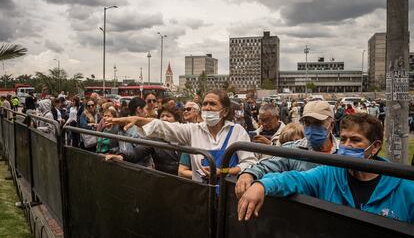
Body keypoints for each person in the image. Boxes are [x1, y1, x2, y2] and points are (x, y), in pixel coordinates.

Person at [237, 113, 414, 223]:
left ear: (375, 147)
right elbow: (296, 178)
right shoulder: (330, 172)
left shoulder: (405, 187)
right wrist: (261, 185)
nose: (346, 145)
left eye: (355, 140)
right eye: (343, 139)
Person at [106, 89, 257, 182]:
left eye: (212, 104)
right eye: (205, 104)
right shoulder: (193, 130)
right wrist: (139, 120)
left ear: (224, 111)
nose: (207, 108)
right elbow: (164, 128)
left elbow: (248, 163)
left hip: (229, 194)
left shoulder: (237, 131)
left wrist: (223, 172)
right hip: (201, 194)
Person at [235, 100, 338, 199]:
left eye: (317, 123)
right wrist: (248, 174)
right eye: (307, 123)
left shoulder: (343, 154)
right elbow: (268, 165)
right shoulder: (293, 150)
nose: (311, 128)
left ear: (331, 125)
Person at [178, 101, 203, 179]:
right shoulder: (181, 128)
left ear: (197, 112)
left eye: (188, 109)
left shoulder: (204, 130)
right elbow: (181, 172)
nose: (185, 111)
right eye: (184, 109)